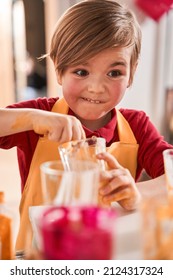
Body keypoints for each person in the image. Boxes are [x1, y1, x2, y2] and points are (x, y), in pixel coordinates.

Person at [0, 0, 172, 251]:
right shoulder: (41, 114)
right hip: (36, 258)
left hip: (103, 256)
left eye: (114, 73)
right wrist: (33, 119)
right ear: (58, 70)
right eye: (81, 71)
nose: (96, 88)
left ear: (131, 74)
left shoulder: (137, 126)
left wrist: (136, 193)